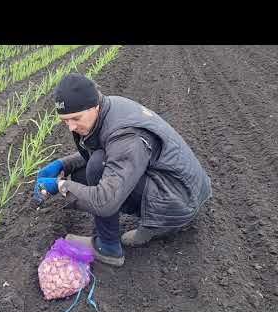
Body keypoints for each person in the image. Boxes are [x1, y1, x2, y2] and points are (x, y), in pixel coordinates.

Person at [34, 73, 212, 267]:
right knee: (81, 173)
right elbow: (111, 150)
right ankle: (157, 219)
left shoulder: (126, 135)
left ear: (94, 106)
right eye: (65, 120)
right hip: (175, 186)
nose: (71, 127)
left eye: (75, 118)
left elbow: (105, 201)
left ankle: (109, 247)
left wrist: (60, 186)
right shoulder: (109, 107)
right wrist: (63, 164)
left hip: (180, 198)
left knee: (96, 167)